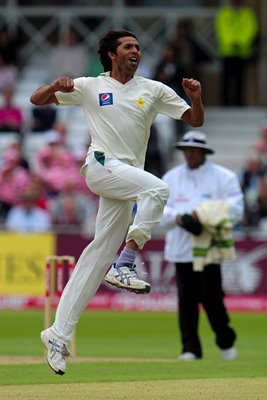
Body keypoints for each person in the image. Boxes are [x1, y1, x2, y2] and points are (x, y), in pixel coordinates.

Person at [30, 29, 204, 375]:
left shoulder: (152, 89)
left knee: (97, 257)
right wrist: (54, 87)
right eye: (128, 47)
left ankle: (58, 335)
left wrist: (196, 97)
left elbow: (194, 120)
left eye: (138, 47)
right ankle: (127, 260)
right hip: (101, 165)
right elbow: (37, 100)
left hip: (124, 180)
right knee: (157, 190)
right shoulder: (91, 86)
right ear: (112, 54)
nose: (135, 51)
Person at [160, 130, 244, 361]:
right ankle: (190, 349)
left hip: (209, 248)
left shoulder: (223, 177)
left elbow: (235, 208)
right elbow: (157, 209)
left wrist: (203, 215)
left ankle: (225, 340)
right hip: (181, 248)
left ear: (203, 152)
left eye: (195, 151)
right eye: (187, 150)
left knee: (212, 298)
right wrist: (178, 217)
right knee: (186, 301)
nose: (190, 155)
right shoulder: (171, 177)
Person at [215, 0, 258, 106]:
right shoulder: (224, 13)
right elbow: (221, 29)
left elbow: (251, 29)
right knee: (226, 78)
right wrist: (231, 42)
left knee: (240, 78)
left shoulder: (247, 13)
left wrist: (241, 42)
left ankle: (239, 102)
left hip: (242, 52)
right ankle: (225, 103)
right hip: (227, 51)